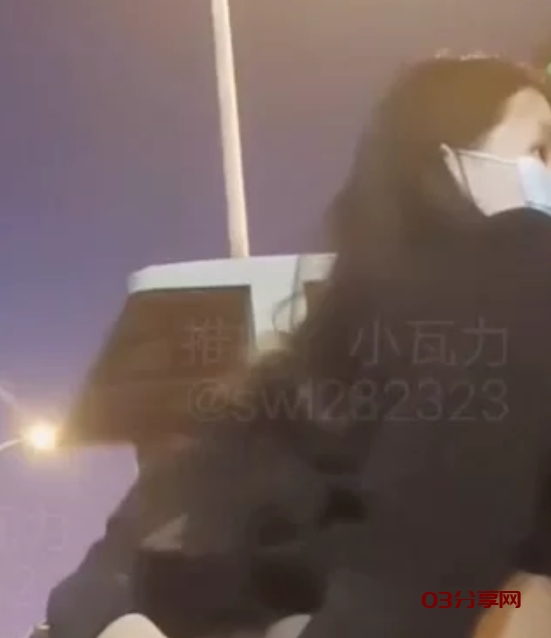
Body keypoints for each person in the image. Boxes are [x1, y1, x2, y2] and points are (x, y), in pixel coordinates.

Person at [47, 53, 551, 638]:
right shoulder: (288, 402)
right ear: (446, 169)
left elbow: (432, 596)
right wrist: (120, 625)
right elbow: (96, 584)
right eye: (541, 149)